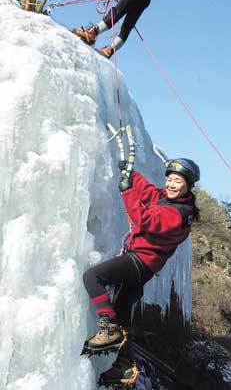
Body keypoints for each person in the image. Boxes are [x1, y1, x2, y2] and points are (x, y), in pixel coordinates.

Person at [81, 158, 200, 387]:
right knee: (122, 312)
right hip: (143, 265)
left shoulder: (178, 214)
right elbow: (148, 192)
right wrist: (131, 174)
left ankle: (109, 329)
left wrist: (127, 193)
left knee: (92, 277)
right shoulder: (167, 199)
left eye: (178, 181)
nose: (172, 184)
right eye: (170, 179)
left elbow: (145, 221)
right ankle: (124, 365)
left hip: (140, 262)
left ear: (188, 186)